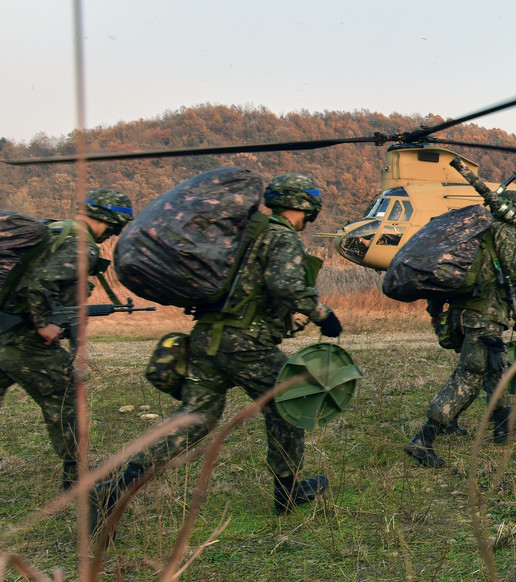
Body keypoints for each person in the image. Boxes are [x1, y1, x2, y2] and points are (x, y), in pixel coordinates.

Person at [92, 174, 342, 522]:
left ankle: (115, 489)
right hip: (246, 344)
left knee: (195, 420)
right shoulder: (280, 236)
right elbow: (285, 286)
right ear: (307, 205)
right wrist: (323, 314)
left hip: (207, 339)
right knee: (290, 402)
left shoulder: (240, 235)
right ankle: (289, 491)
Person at [405, 190, 516, 468]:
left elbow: (499, 278)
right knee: (469, 376)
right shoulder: (506, 232)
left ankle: (502, 423)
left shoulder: (478, 235)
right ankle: (424, 438)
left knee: (495, 366)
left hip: (465, 313)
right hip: (483, 317)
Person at [0, 189, 133, 491]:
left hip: (4, 328)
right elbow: (38, 285)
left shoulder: (54, 229)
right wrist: (43, 324)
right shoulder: (81, 245)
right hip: (23, 340)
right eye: (118, 225)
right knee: (66, 398)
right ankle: (77, 474)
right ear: (109, 219)